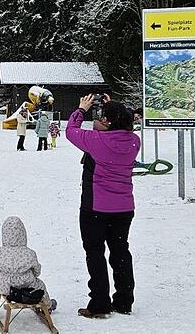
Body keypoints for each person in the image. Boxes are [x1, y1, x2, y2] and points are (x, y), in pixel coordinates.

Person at [66, 94, 140, 318]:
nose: (97, 119)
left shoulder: (96, 141)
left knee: (95, 252)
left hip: (95, 207)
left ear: (107, 121)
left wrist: (81, 109)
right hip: (124, 207)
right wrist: (111, 106)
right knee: (120, 251)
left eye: (101, 116)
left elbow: (70, 130)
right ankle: (124, 301)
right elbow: (121, 126)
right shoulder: (134, 140)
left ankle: (99, 303)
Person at [0, 217, 56, 316]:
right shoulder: (29, 253)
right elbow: (37, 270)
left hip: (4, 286)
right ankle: (48, 306)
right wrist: (34, 275)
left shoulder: (0, 252)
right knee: (41, 285)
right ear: (23, 234)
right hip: (27, 286)